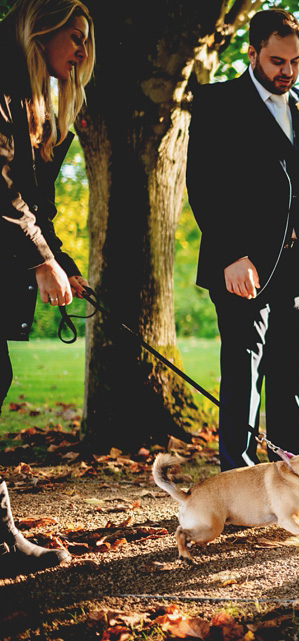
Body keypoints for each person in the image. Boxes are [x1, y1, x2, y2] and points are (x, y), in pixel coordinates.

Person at [187, 8, 299, 477]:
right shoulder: (218, 102)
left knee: (290, 380)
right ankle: (237, 480)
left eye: (296, 61)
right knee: (242, 377)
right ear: (253, 53)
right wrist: (230, 255)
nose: (289, 72)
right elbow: (202, 185)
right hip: (243, 265)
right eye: (279, 61)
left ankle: (292, 476)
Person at [0, 0, 94, 575]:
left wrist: (60, 259)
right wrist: (41, 261)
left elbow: (35, 202)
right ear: (42, 28)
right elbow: (2, 187)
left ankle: (3, 535)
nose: (82, 51)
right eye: (76, 37)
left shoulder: (37, 102)